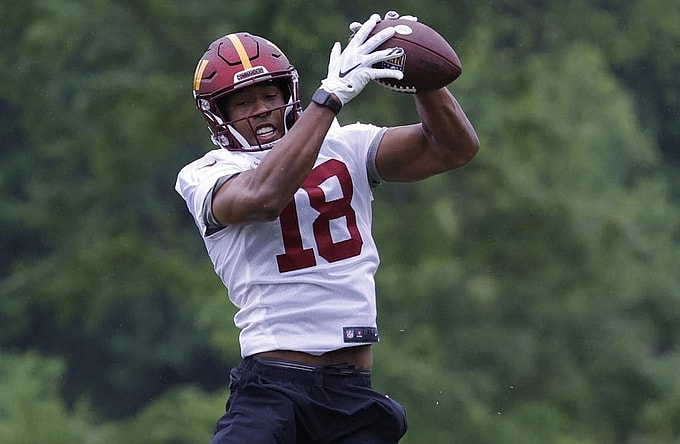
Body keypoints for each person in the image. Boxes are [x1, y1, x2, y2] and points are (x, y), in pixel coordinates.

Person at [175, 10, 479, 444]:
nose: (261, 111)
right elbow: (263, 197)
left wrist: (421, 74)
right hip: (273, 389)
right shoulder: (206, 173)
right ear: (218, 114)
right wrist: (330, 97)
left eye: (269, 95)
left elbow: (452, 148)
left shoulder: (345, 144)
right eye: (243, 103)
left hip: (351, 393)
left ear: (289, 94)